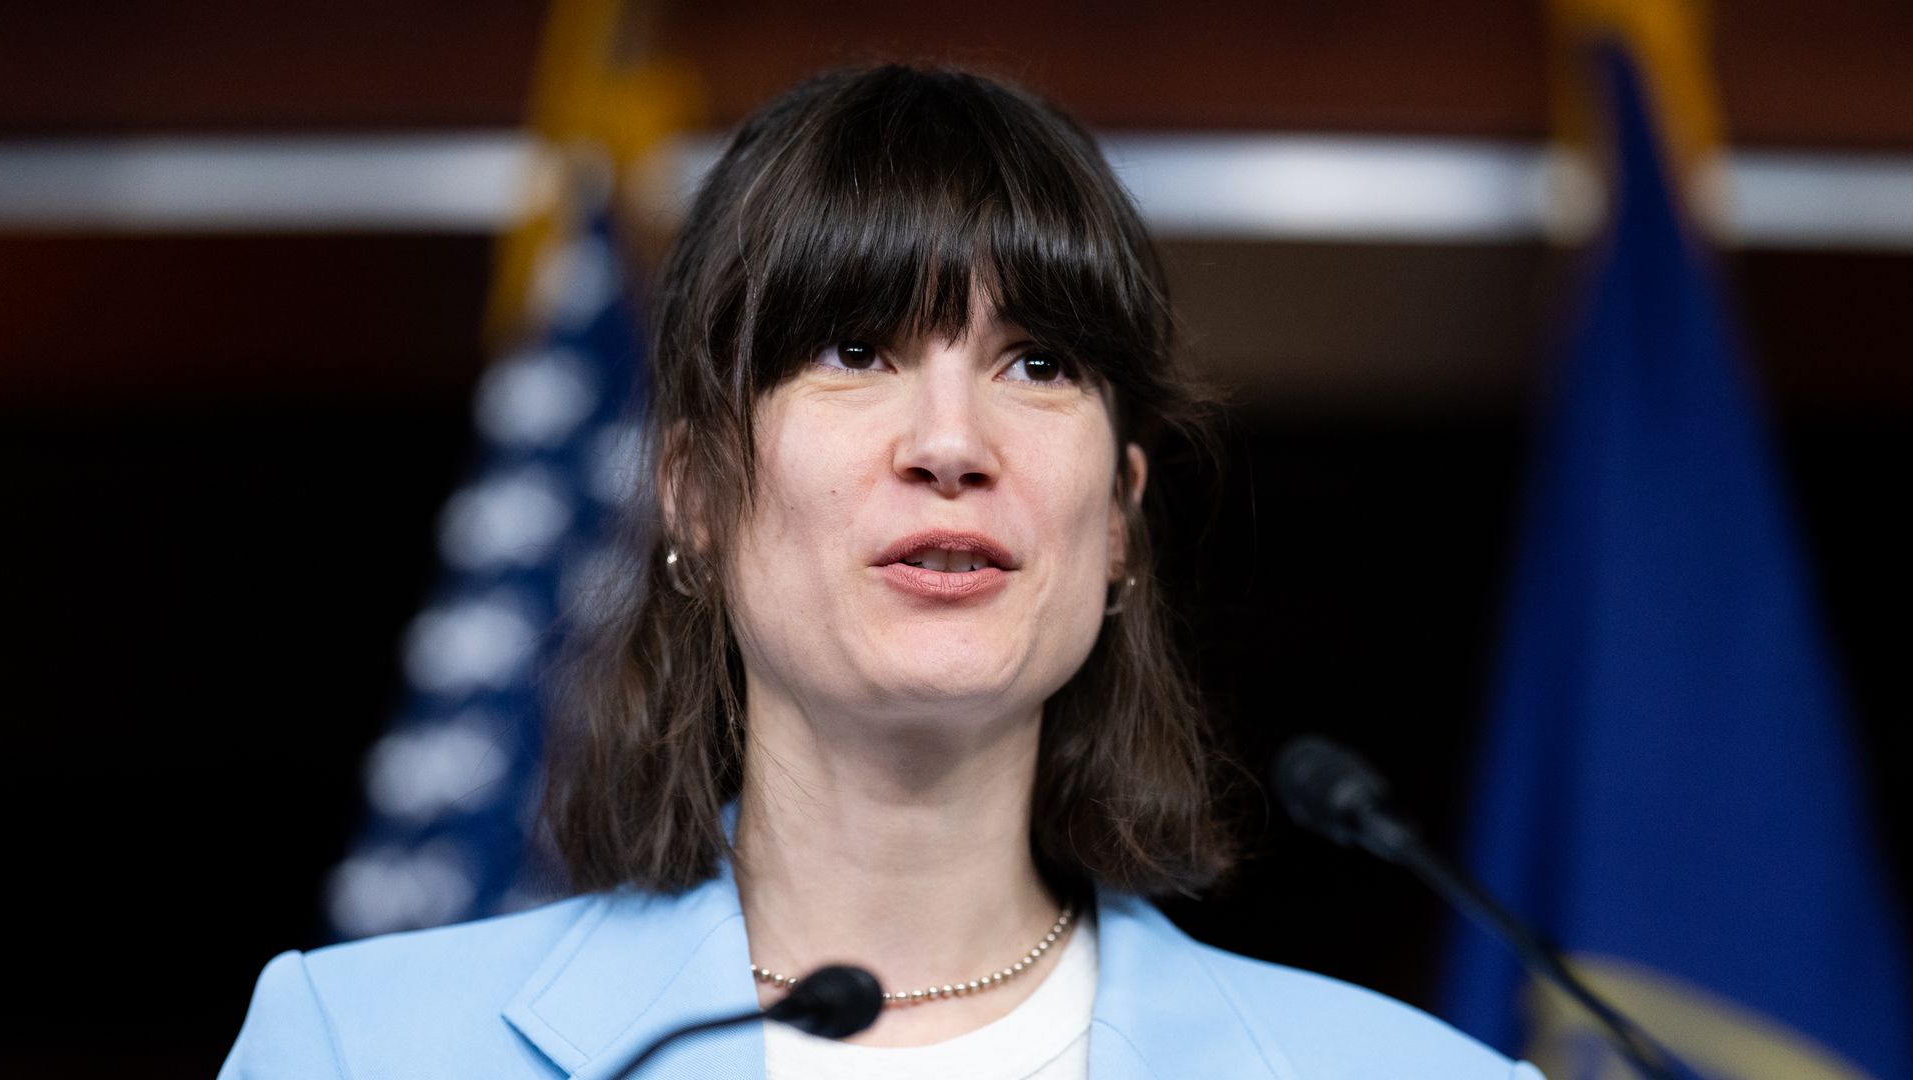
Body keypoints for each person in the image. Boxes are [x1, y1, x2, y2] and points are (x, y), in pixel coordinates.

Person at [221, 64, 1543, 1079]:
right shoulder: (364, 1047)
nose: (952, 444)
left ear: (1123, 517)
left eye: (1039, 365)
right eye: (855, 350)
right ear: (693, 491)